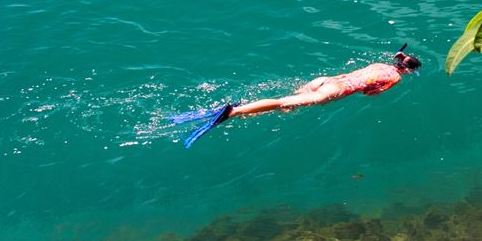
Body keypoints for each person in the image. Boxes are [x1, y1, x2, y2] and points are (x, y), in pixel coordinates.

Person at [174, 45, 422, 147]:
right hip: (334, 91)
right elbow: (370, 93)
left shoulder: (380, 64)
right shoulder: (395, 78)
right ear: (408, 71)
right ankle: (234, 111)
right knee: (283, 103)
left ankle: (245, 110)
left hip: (326, 80)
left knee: (289, 104)